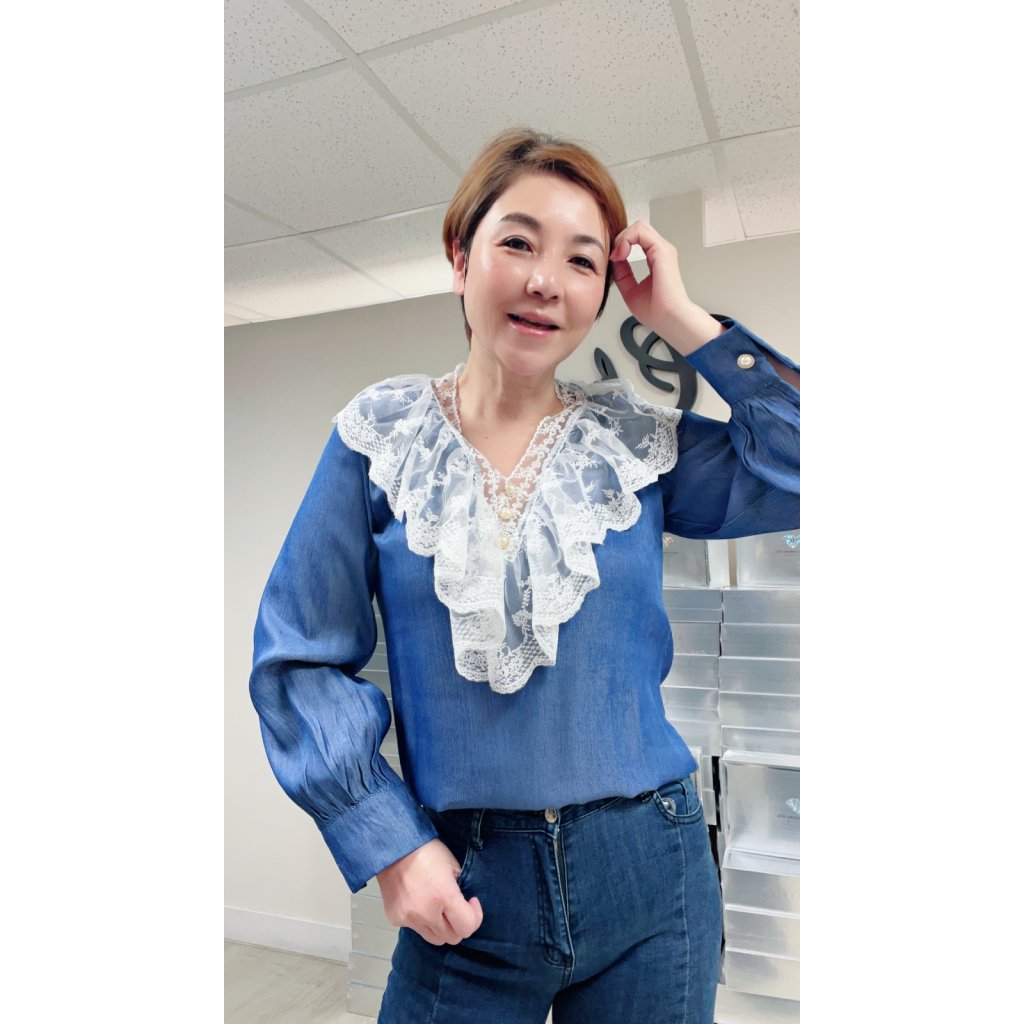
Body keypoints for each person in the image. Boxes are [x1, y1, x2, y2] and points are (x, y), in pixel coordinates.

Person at [249, 127, 799, 1024]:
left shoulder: (636, 444)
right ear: (459, 256)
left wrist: (678, 319)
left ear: (602, 290)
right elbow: (297, 659)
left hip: (652, 878)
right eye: (518, 242)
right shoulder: (379, 440)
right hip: (465, 884)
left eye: (582, 260)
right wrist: (390, 844)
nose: (547, 280)